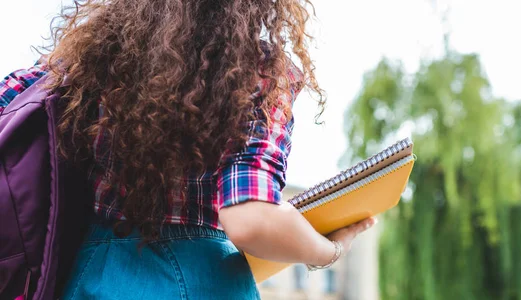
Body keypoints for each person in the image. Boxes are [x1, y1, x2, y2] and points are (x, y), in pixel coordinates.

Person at [0, 0, 377, 299]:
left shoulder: (93, 56)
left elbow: (11, 102)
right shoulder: (257, 72)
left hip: (90, 273)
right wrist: (329, 251)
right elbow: (250, 218)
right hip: (201, 280)